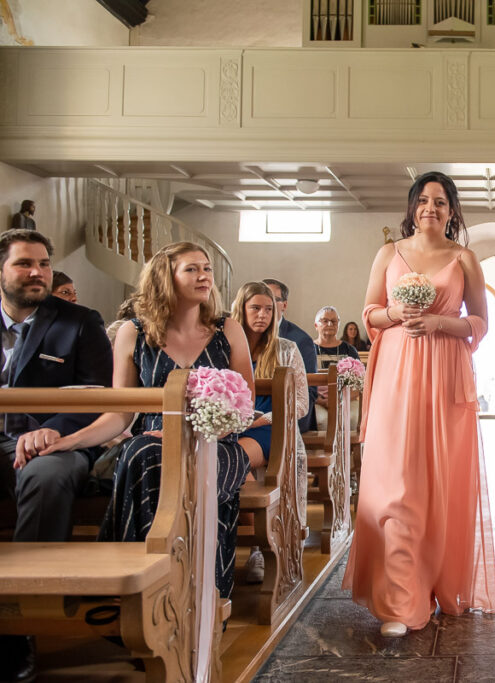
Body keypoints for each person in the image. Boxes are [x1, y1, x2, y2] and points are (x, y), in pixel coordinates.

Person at [41, 242, 253, 603]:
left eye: (207, 268)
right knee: (147, 452)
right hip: (151, 443)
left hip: (216, 443)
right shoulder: (134, 332)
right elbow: (120, 412)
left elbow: (243, 407)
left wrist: (192, 433)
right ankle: (149, 590)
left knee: (152, 454)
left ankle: (192, 595)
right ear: (164, 277)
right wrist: (70, 440)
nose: (204, 276)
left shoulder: (226, 329)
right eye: (191, 269)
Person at [342, 171, 495, 638]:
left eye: (441, 201)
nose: (431, 207)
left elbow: (481, 323)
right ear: (413, 208)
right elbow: (369, 313)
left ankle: (437, 583)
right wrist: (395, 313)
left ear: (452, 211)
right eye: (424, 200)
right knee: (398, 480)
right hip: (397, 372)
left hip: (446, 372)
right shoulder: (389, 253)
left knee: (439, 480)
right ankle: (400, 600)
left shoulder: (465, 258)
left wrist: (439, 323)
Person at [0, 230, 112, 683]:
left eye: (44, 264)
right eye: (24, 263)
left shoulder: (79, 322)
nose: (37, 272)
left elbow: (100, 394)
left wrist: (56, 428)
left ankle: (20, 625)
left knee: (47, 476)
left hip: (53, 442)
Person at [231, 281, 310, 583]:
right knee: (216, 458)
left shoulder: (286, 349)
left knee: (233, 458)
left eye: (268, 309)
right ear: (241, 308)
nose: (263, 315)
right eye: (255, 308)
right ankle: (252, 539)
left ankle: (258, 545)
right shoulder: (225, 347)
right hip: (232, 426)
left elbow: (301, 402)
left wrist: (262, 419)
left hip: (269, 428)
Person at [262, 278, 317, 432]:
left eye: (273, 299)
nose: (267, 304)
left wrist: (274, 418)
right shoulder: (246, 336)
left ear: (284, 305)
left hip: (287, 418)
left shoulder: (300, 340)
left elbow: (309, 392)